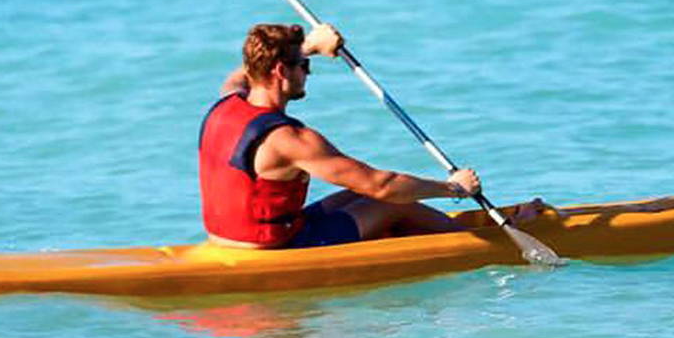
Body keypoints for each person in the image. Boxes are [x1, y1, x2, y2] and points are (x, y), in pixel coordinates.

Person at [200, 22, 541, 249]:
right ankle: (495, 244)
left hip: (228, 238)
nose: (309, 71)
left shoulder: (226, 101)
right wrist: (454, 188)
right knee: (388, 202)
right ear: (279, 71)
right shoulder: (290, 141)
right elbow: (382, 184)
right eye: (303, 65)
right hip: (277, 249)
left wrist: (308, 46)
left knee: (350, 198)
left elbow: (245, 73)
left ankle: (456, 231)